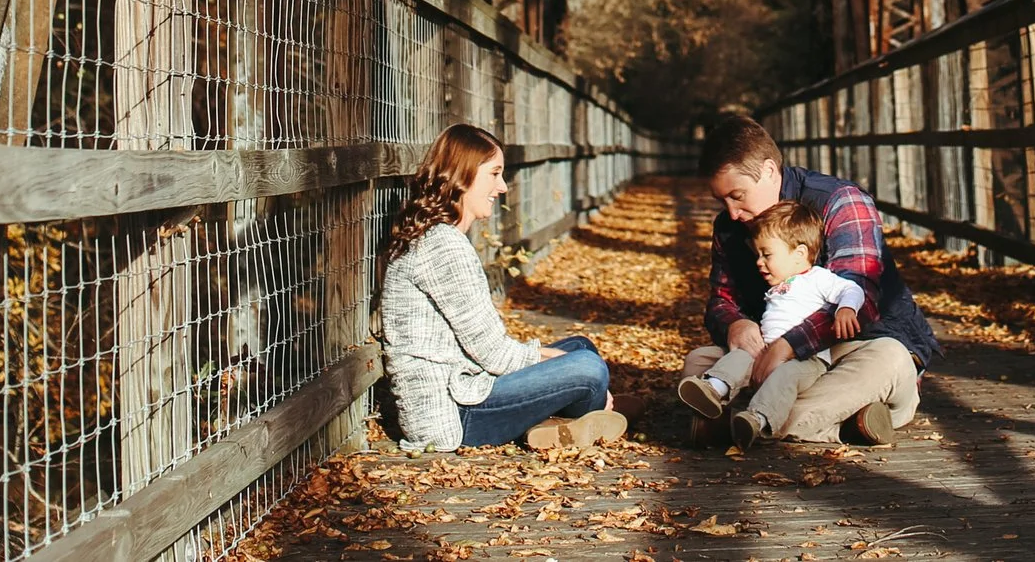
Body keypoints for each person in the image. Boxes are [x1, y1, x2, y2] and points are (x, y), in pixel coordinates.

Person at [680, 116, 940, 445]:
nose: (732, 212)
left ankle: (748, 421)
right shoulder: (730, 227)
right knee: (698, 362)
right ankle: (842, 420)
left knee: (888, 359)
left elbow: (862, 298)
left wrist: (790, 345)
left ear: (770, 171)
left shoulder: (840, 202)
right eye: (722, 201)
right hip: (775, 354)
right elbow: (721, 300)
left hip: (857, 347)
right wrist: (735, 325)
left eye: (738, 195)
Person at [378, 123, 627, 452]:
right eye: (494, 174)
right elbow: (496, 355)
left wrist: (557, 357)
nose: (503, 186)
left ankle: (564, 421)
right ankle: (582, 418)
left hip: (467, 387)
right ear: (463, 174)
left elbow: (489, 351)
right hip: (455, 413)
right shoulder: (443, 247)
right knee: (589, 368)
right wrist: (557, 358)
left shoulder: (441, 238)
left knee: (581, 347)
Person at [678, 199, 866, 447]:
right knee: (739, 356)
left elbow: (852, 289)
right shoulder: (779, 286)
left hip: (806, 360)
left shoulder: (818, 278)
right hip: (765, 352)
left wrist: (846, 309)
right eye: (757, 254)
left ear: (799, 253)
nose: (759, 262)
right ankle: (713, 389)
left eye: (767, 254)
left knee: (784, 378)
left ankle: (757, 419)